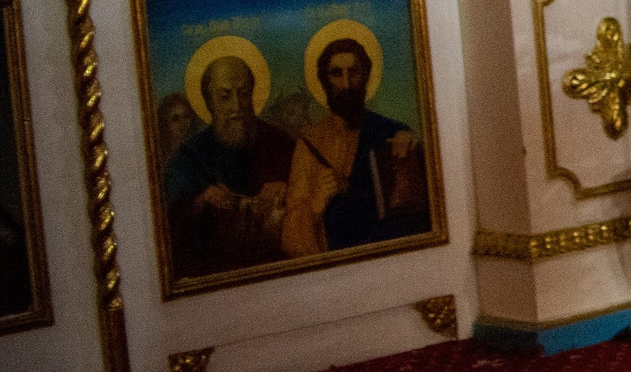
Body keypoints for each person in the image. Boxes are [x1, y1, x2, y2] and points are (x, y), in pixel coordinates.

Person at [283, 36, 430, 254]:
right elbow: (290, 240)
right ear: (324, 80)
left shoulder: (391, 132)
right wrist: (316, 202)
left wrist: (408, 158)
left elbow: (419, 218)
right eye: (336, 73)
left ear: (366, 76)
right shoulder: (309, 145)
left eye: (354, 72)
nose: (346, 84)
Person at [160, 51, 298, 276]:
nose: (237, 105)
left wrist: (289, 190)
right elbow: (172, 226)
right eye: (225, 96)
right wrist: (202, 201)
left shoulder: (281, 144)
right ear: (209, 101)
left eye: (243, 94)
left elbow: (308, 202)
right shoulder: (186, 159)